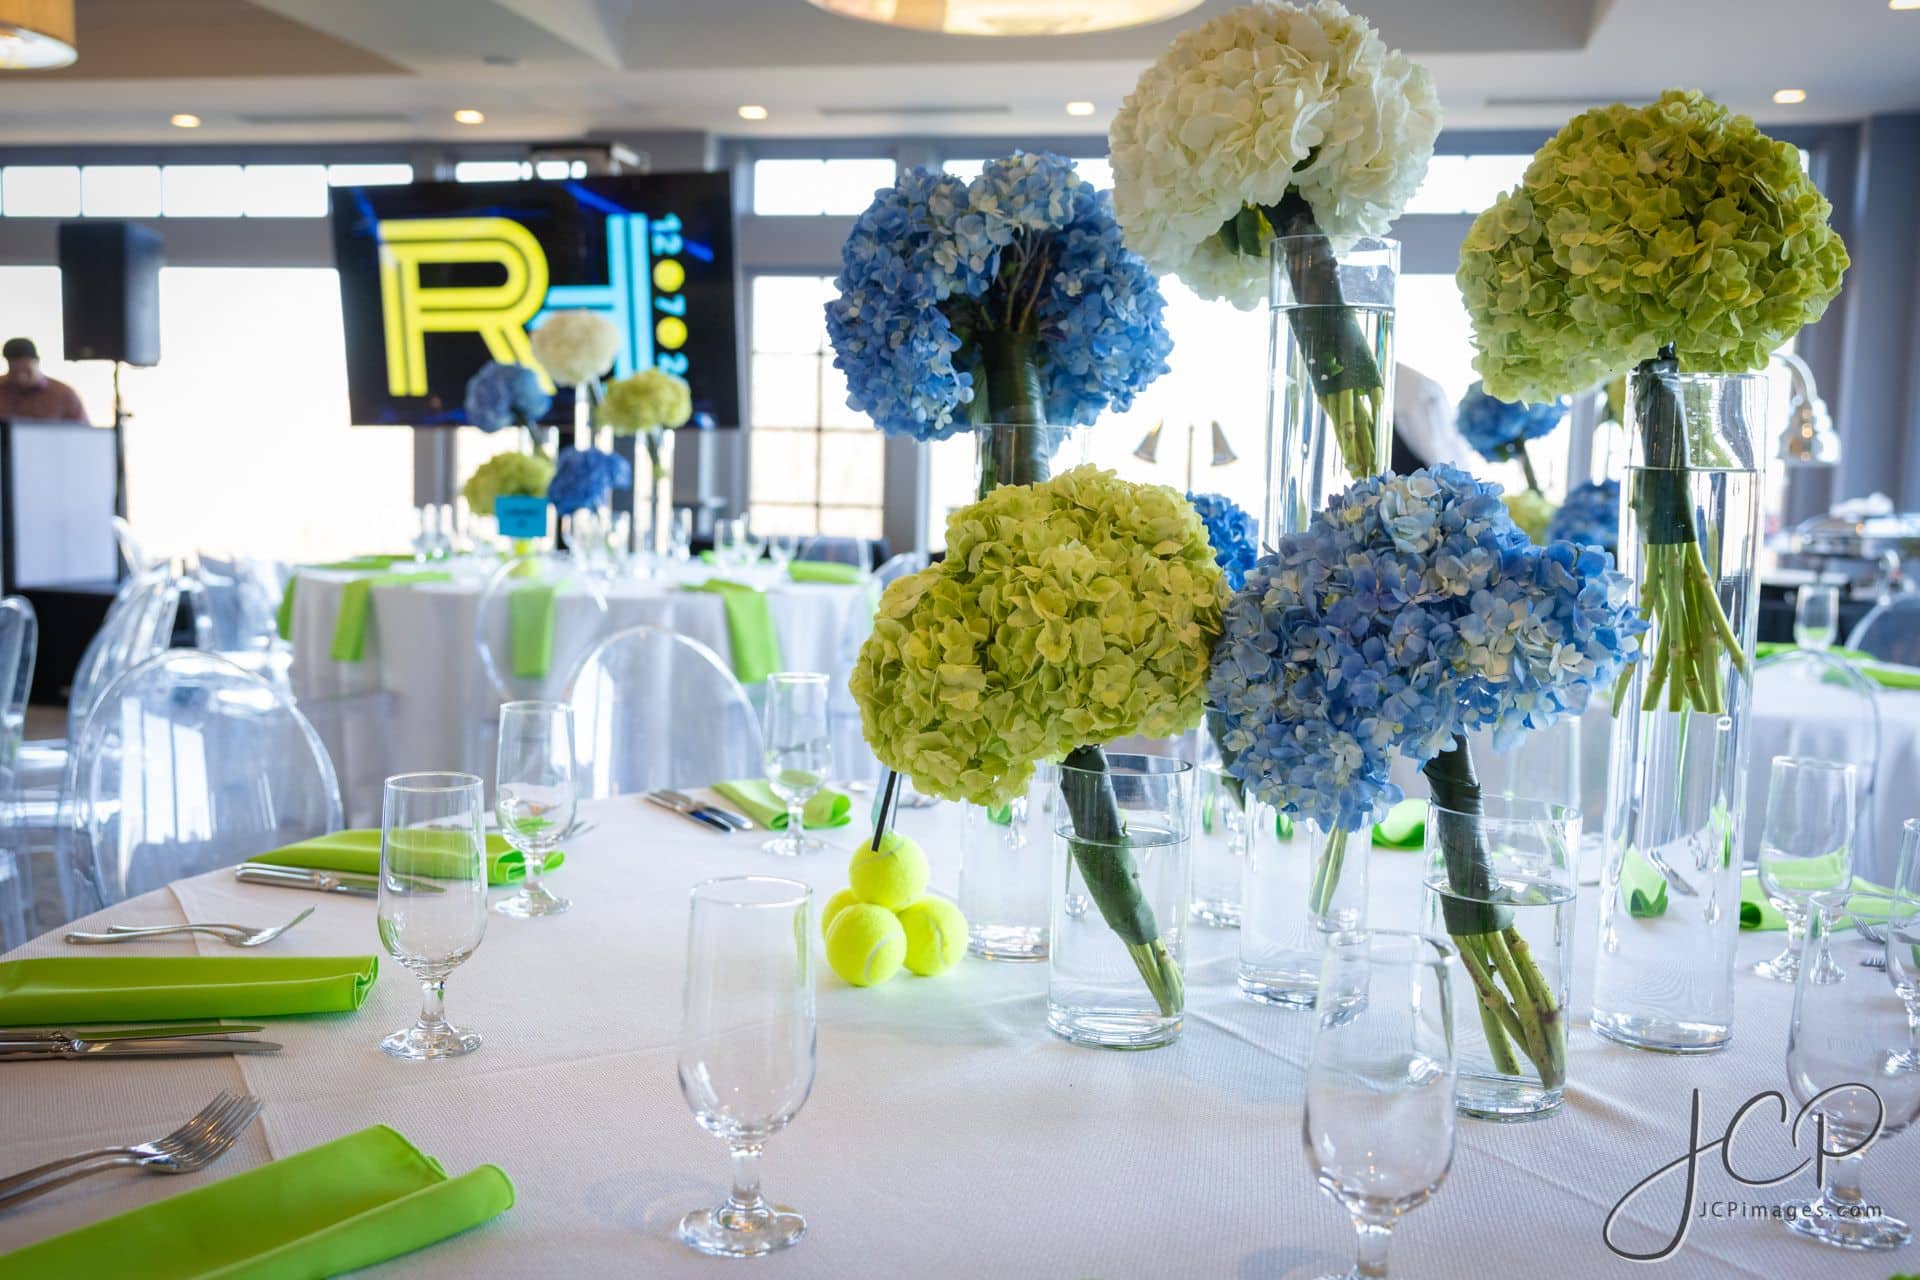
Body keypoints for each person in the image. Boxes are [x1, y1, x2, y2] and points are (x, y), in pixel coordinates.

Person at [0, 337, 88, 422]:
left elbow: (82, 432)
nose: (20, 378)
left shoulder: (63, 394)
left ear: (37, 361)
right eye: (14, 370)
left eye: (25, 370)